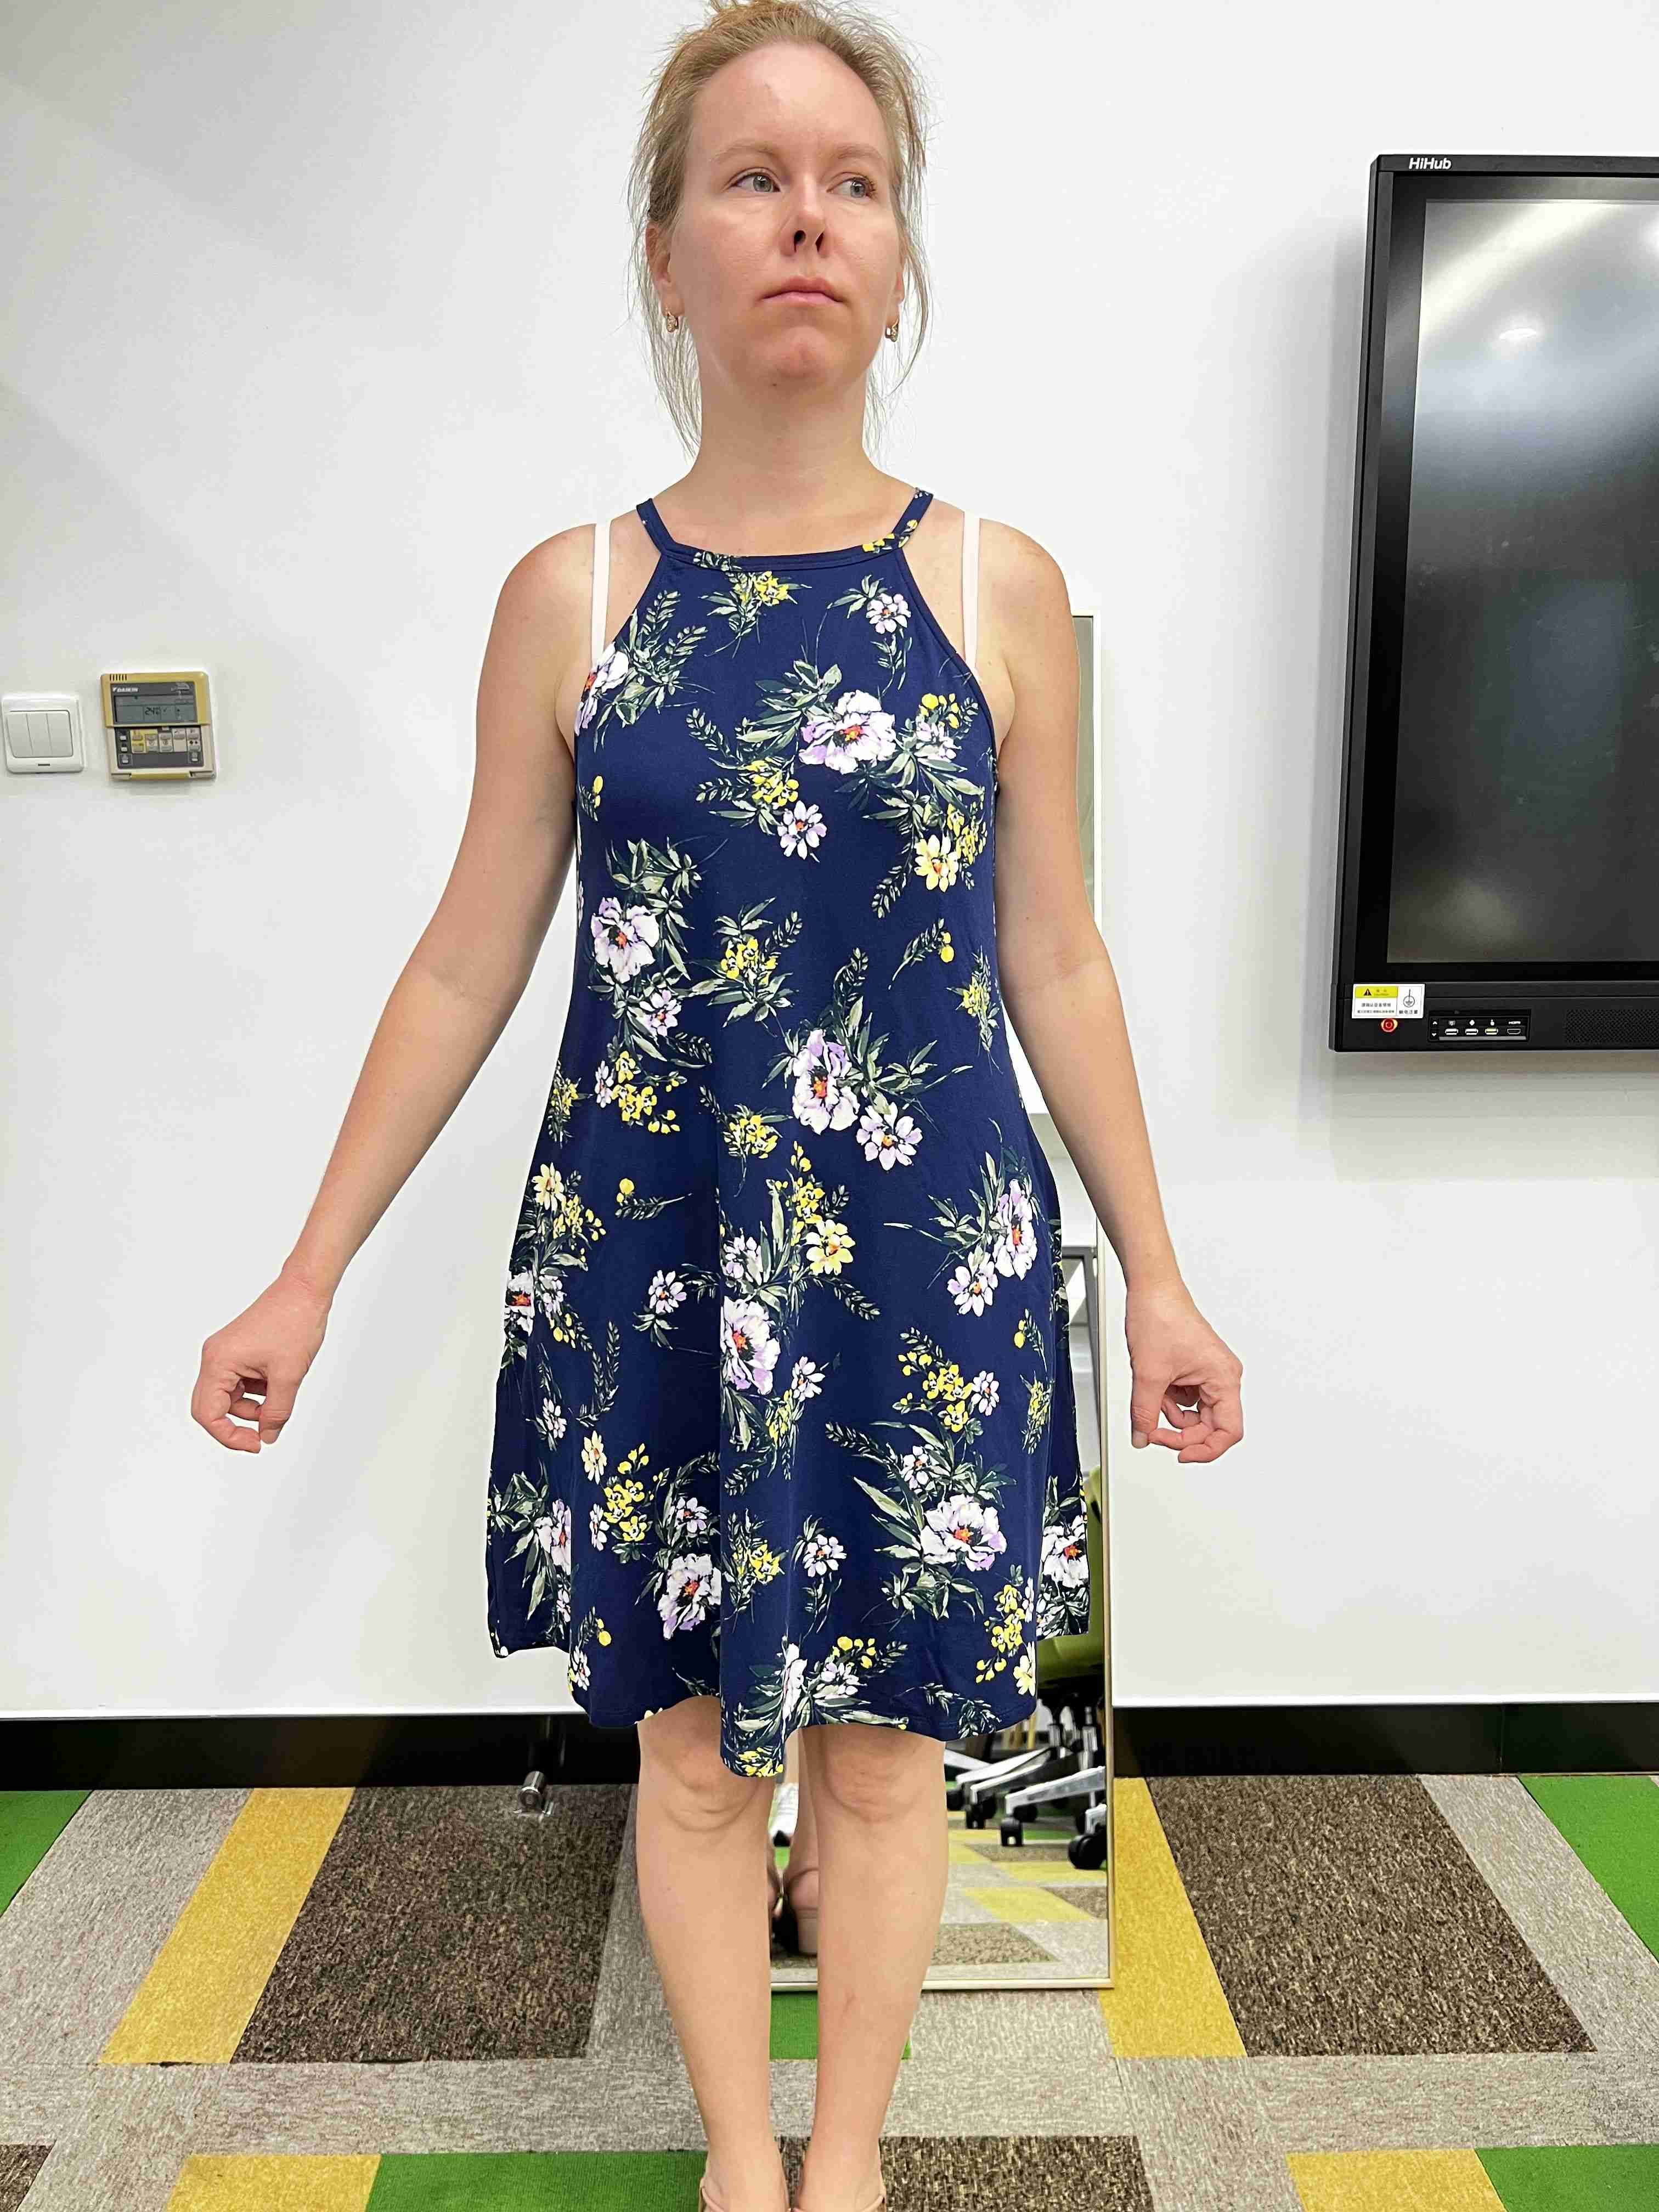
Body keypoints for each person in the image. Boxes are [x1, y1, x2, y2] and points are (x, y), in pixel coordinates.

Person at [190, 4, 1244, 2209]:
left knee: (883, 1766)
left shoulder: (998, 590)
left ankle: (844, 2161)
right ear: (666, 251)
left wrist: (1159, 1274)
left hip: (916, 1272)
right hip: (653, 1262)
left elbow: (1057, 957)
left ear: (901, 251)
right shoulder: (571, 600)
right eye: (753, 178)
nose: (808, 221)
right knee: (689, 1762)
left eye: (855, 182)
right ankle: (737, 2163)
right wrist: (304, 1270)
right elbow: (467, 959)